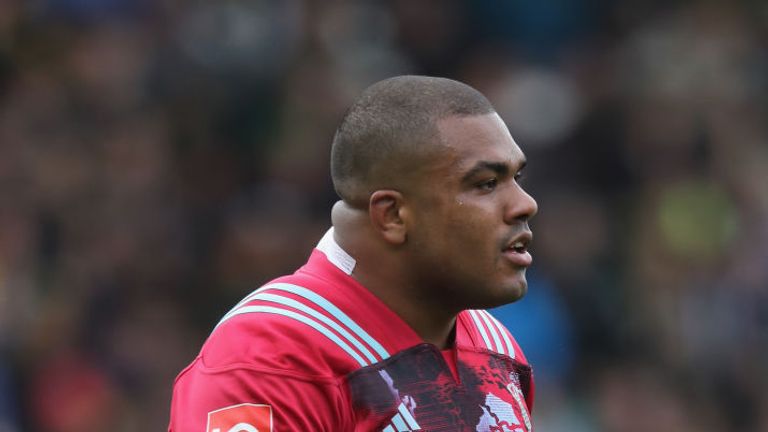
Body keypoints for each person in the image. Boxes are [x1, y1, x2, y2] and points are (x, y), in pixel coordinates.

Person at [168, 75, 538, 432]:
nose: (525, 205)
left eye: (516, 179)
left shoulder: (496, 348)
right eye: (486, 184)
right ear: (392, 215)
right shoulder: (268, 359)